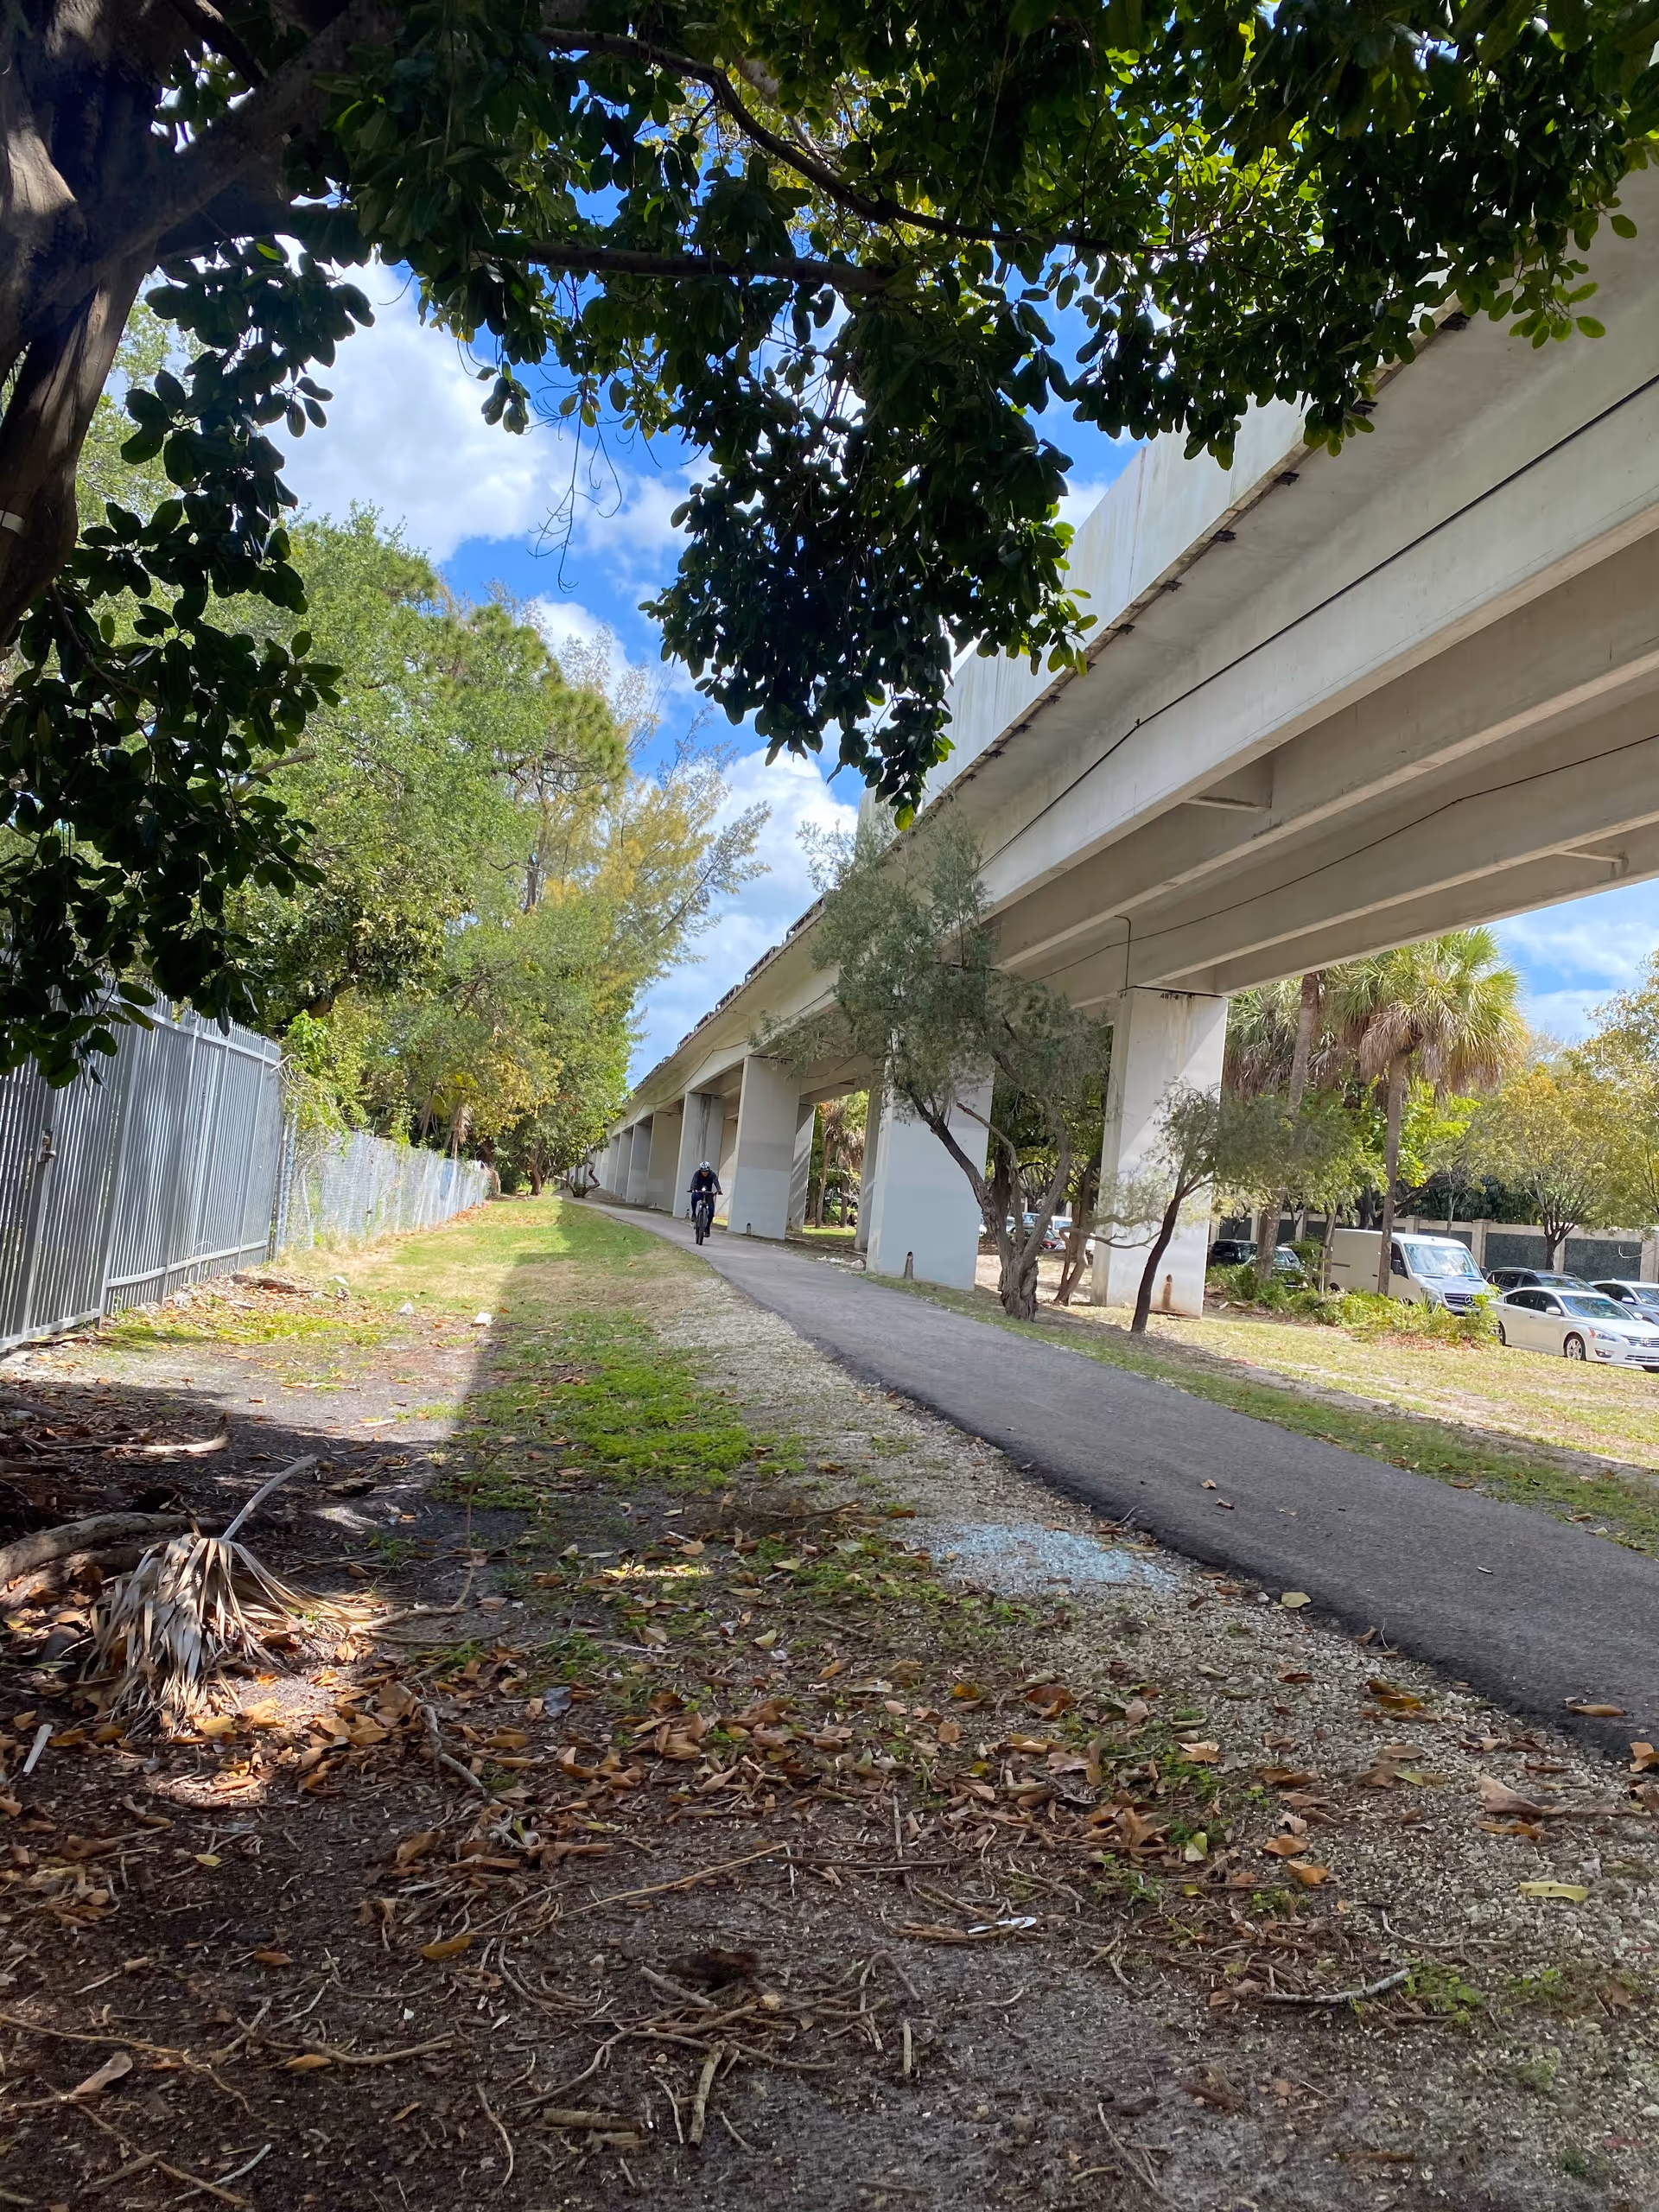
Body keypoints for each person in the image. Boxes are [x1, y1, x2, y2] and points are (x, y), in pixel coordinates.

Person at [689, 1160, 721, 1243]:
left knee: (711, 1210)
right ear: (700, 1170)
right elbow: (693, 1181)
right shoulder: (697, 1174)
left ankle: (707, 1228)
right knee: (693, 1197)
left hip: (708, 1193)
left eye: (706, 1171)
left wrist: (719, 1190)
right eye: (703, 1171)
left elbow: (716, 1182)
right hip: (699, 1191)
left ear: (709, 1170)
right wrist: (692, 1188)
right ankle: (694, 1214)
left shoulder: (712, 1174)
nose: (705, 1173)